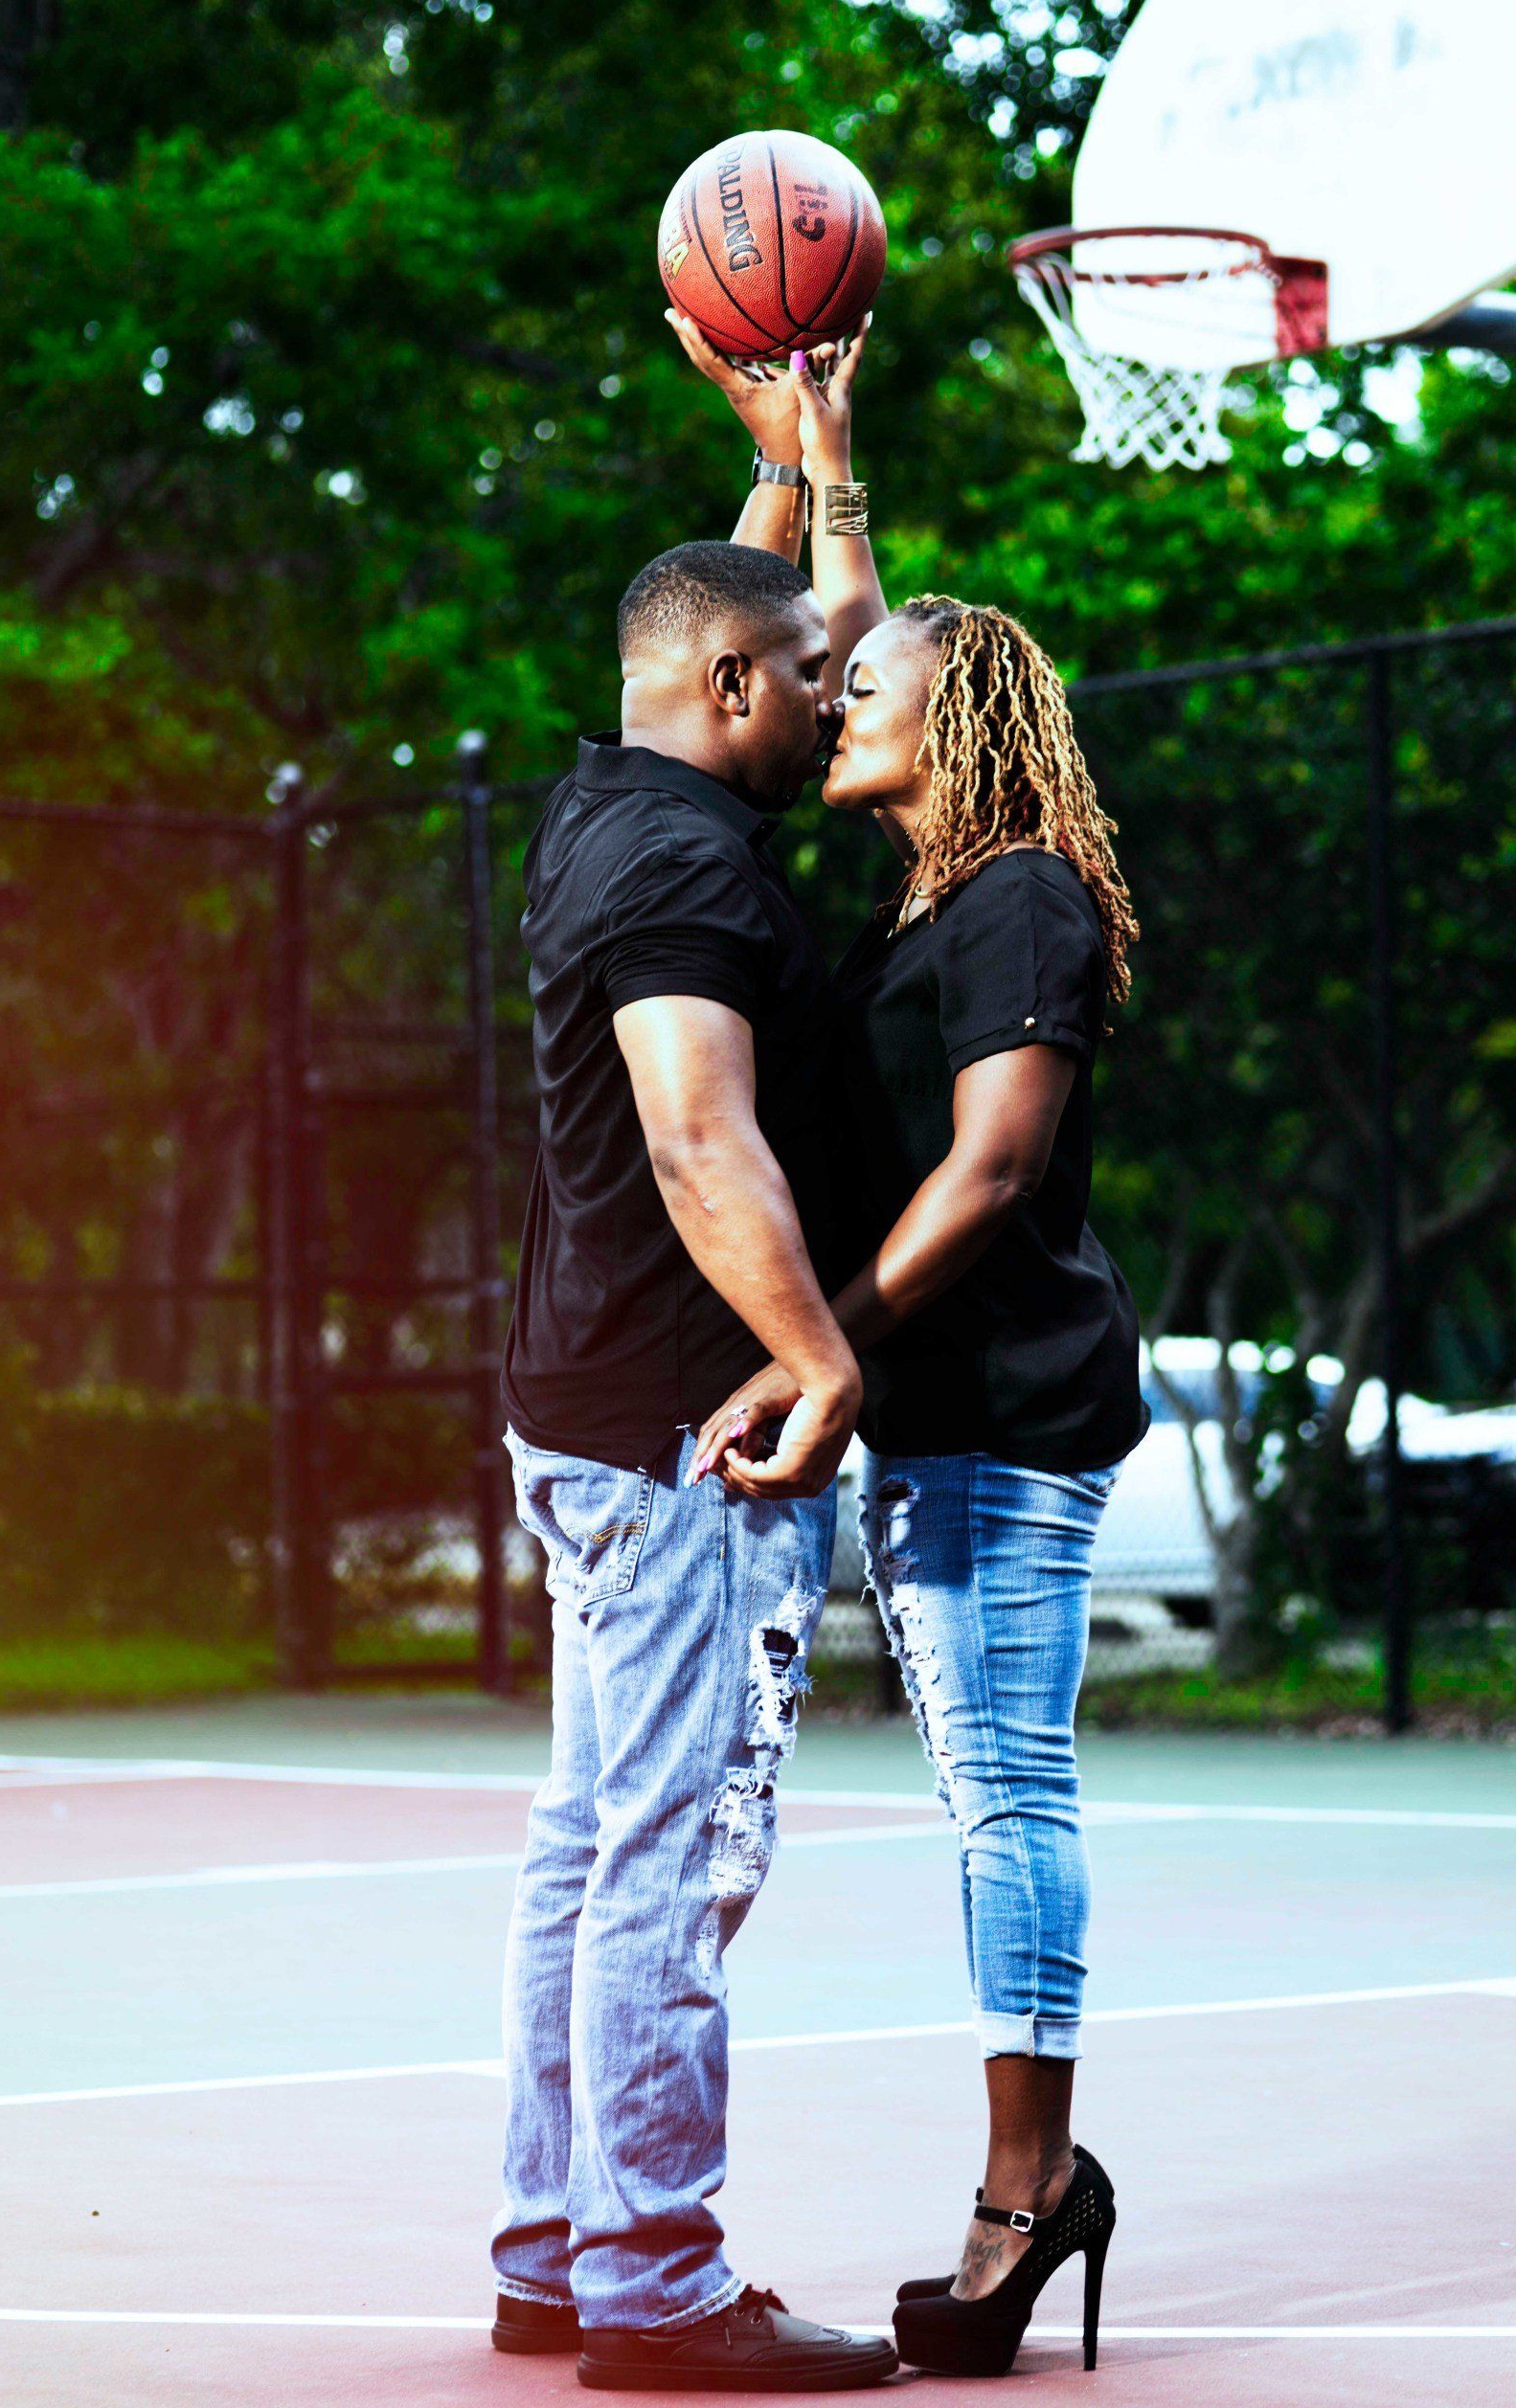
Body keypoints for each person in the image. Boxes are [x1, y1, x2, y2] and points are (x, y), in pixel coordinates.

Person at [671, 308, 1146, 2379]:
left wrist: (821, 1348)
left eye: (864, 688)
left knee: (1006, 1784)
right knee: (981, 1777)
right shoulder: (932, 895)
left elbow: (992, 1169)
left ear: (951, 724)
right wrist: (820, 452)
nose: (830, 690)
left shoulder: (1022, 896)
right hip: (940, 1415)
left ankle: (1030, 2188)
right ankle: (1038, 2175)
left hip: (1007, 1414)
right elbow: (852, 626)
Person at [490, 383, 899, 2390]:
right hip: (685, 1437)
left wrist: (802, 462)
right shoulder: (688, 873)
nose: (841, 692)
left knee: (589, 1839)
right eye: (813, 676)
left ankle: (552, 2248)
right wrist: (818, 1352)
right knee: (664, 1850)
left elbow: (739, 611)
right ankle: (652, 2276)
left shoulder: (618, 800)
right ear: (734, 687)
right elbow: (694, 1133)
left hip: (583, 1406)